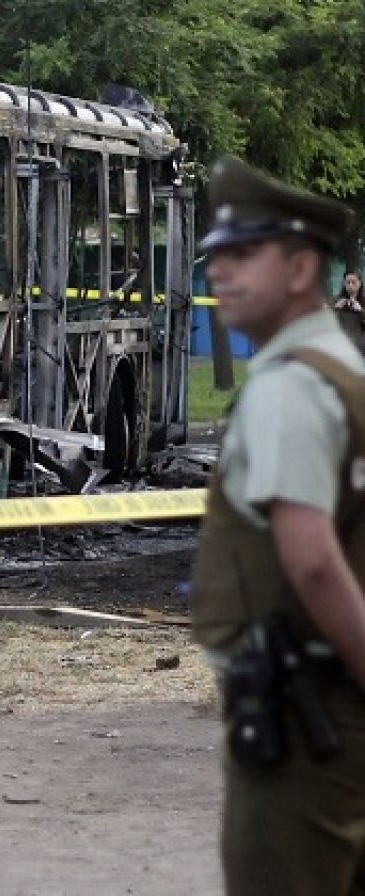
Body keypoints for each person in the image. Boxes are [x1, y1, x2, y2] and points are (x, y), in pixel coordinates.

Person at [191, 156, 365, 895]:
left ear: (301, 267)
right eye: (214, 257)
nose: (218, 273)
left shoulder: (289, 387)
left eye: (241, 254)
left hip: (306, 718)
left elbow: (315, 561)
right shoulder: (345, 370)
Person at [334, 269, 365, 342]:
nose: (350, 285)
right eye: (348, 282)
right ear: (344, 284)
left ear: (360, 283)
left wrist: (360, 311)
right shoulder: (336, 301)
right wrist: (335, 309)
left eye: (353, 282)